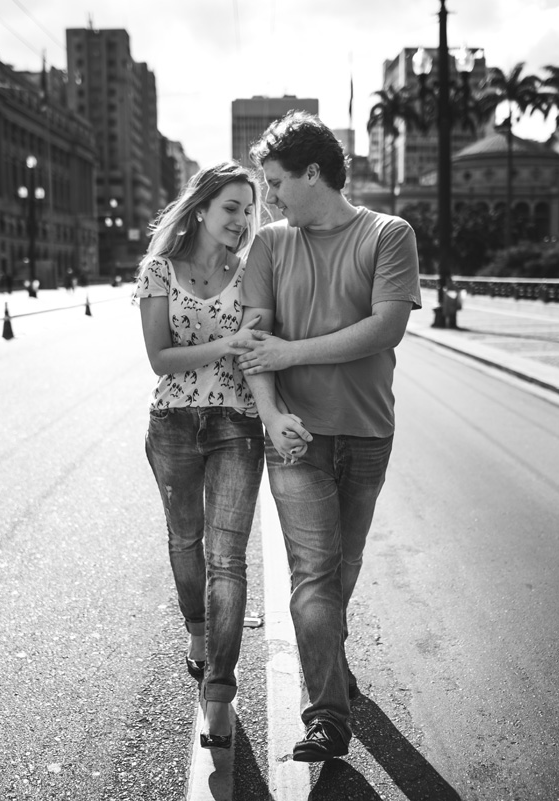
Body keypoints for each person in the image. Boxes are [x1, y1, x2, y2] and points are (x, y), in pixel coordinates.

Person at [237, 111, 421, 762]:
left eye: (276, 182)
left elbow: (384, 329)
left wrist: (292, 354)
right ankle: (328, 718)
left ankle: (331, 668)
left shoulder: (389, 235)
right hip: (295, 436)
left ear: (313, 173)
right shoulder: (268, 245)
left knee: (342, 570)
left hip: (369, 431)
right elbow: (255, 347)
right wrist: (270, 414)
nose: (269, 197)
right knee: (313, 576)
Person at [134, 161, 304, 751]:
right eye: (231, 207)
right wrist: (224, 345)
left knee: (227, 557)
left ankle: (219, 693)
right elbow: (160, 358)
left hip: (236, 422)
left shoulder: (252, 272)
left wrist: (274, 412)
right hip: (174, 423)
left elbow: (253, 355)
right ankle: (198, 632)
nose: (241, 220)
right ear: (202, 208)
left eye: (249, 210)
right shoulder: (159, 271)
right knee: (185, 543)